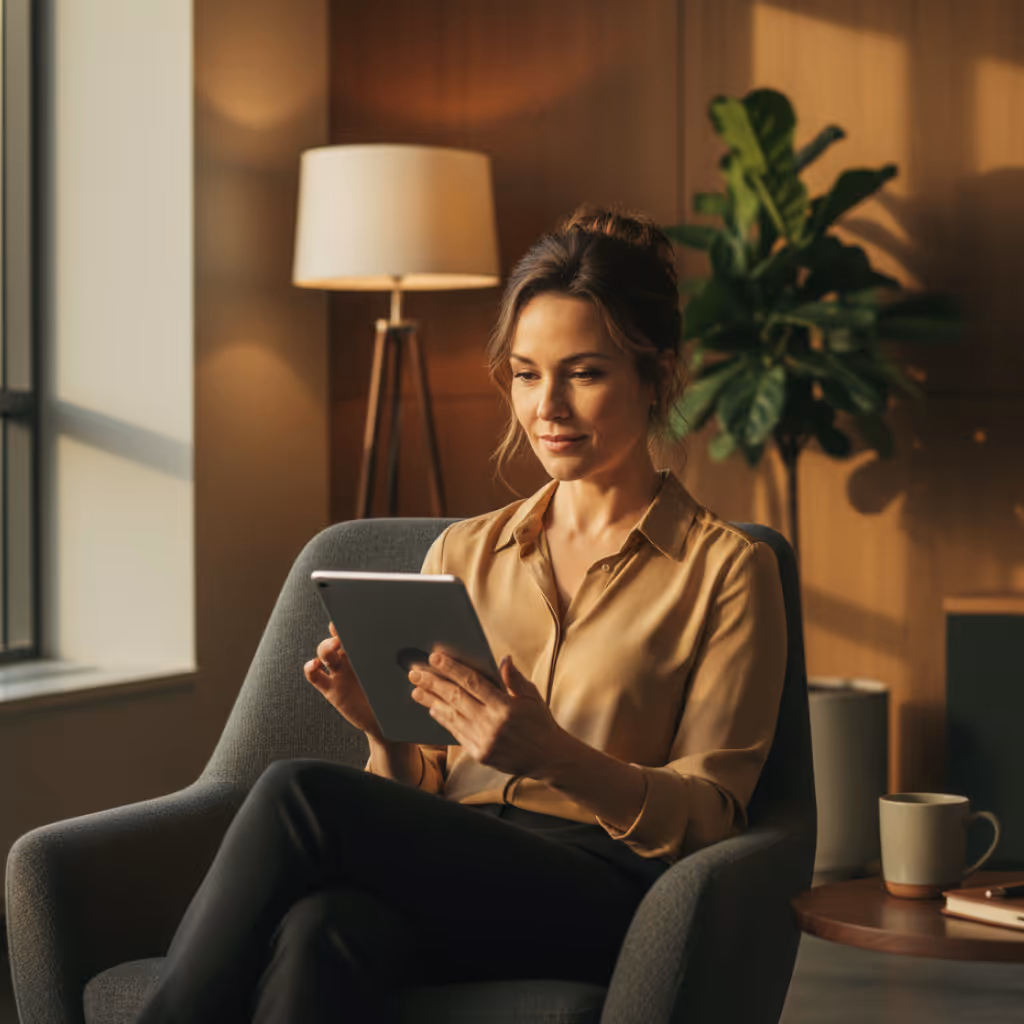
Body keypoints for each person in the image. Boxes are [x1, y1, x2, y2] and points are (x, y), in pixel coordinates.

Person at [134, 205, 788, 1024]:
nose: (547, 406)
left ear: (657, 376)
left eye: (583, 373)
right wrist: (388, 736)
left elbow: (713, 816)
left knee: (301, 792)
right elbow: (429, 790)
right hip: (460, 867)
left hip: (604, 889)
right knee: (319, 929)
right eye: (525, 373)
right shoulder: (464, 554)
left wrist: (553, 755)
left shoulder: (727, 568)